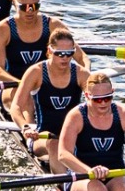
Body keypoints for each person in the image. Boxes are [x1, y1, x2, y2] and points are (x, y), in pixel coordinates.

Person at [9, 25, 88, 167]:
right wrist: (25, 127)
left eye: (69, 53)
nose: (65, 58)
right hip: (41, 135)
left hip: (72, 136)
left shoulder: (81, 74)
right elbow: (15, 107)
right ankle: (64, 186)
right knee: (54, 144)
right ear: (49, 52)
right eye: (59, 53)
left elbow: (97, 104)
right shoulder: (36, 72)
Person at [0, 0, 79, 87]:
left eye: (34, 6)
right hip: (13, 85)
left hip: (44, 86)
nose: (29, 11)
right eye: (24, 7)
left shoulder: (53, 25)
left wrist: (87, 79)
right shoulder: (3, 29)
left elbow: (82, 57)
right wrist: (25, 85)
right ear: (15, 4)